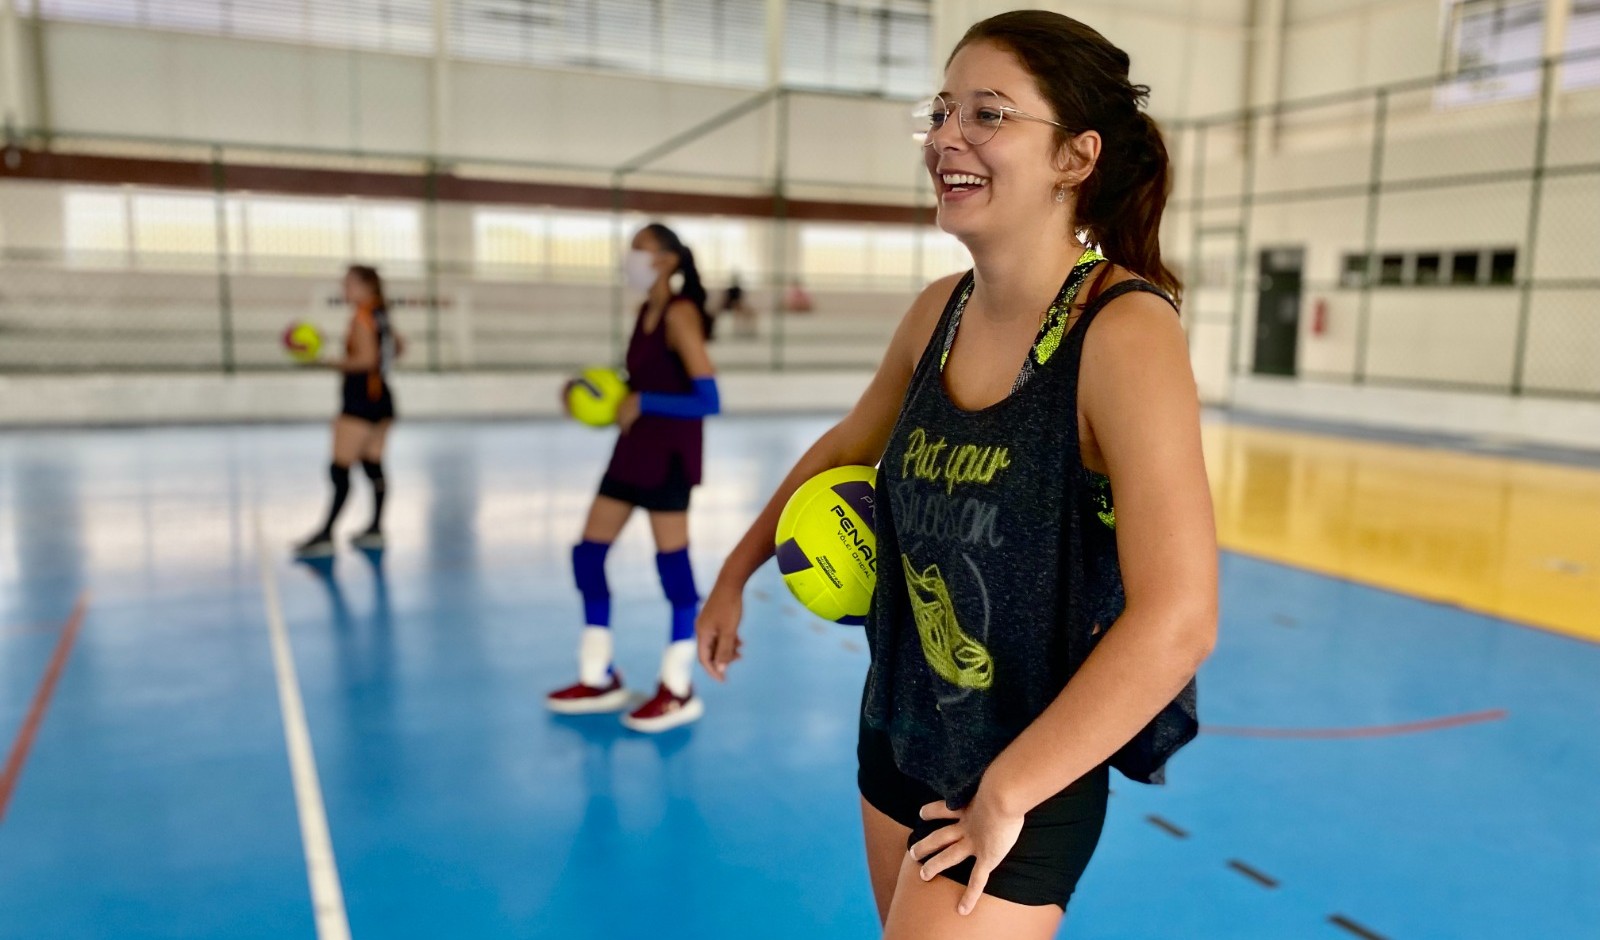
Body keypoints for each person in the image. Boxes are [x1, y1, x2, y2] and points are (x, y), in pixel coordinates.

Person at [696, 11, 1217, 937]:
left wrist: (1010, 789)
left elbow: (1179, 618)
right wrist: (736, 571)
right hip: (901, 726)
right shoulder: (941, 309)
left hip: (1027, 760)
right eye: (942, 111)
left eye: (989, 114)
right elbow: (848, 447)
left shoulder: (1123, 332)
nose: (946, 138)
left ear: (1075, 156)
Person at [546, 223, 721, 734]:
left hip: (668, 453)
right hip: (631, 451)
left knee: (672, 569)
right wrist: (589, 391)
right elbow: (641, 380)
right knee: (588, 554)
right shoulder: (645, 311)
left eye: (641, 250)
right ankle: (597, 675)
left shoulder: (681, 314)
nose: (631, 259)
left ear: (668, 260)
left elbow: (710, 398)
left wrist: (644, 401)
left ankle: (678, 686)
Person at [295, 265, 401, 558]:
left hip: (360, 400)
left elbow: (366, 360)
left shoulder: (362, 317)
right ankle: (375, 529)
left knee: (339, 468)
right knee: (373, 465)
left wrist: (327, 361)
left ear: (367, 286)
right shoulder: (382, 314)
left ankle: (326, 533)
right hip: (383, 398)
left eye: (349, 285)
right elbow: (398, 347)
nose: (344, 290)